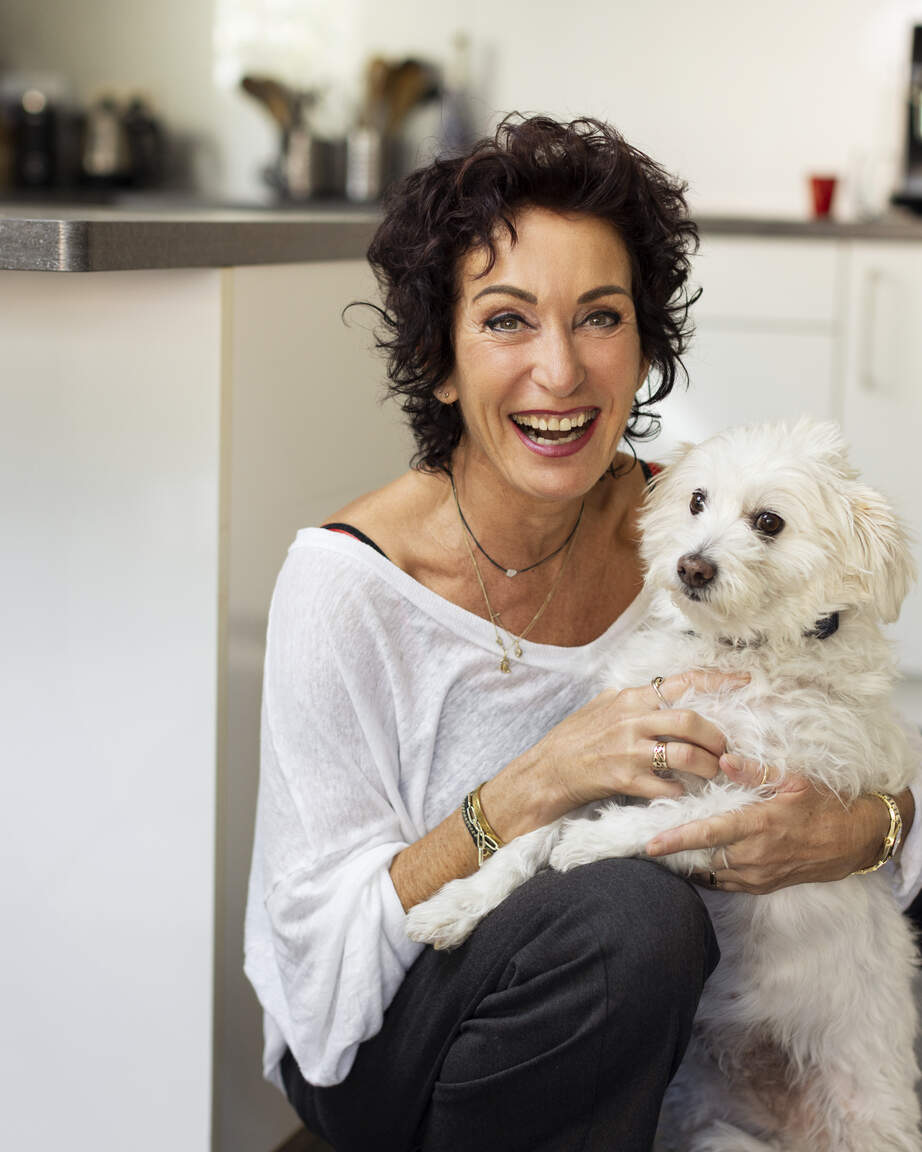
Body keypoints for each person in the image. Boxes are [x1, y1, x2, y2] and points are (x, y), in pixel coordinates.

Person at [244, 116, 922, 1152]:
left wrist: (862, 827)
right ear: (439, 360)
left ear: (645, 348)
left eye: (598, 317)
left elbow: (865, 728)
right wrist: (531, 785)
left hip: (658, 1013)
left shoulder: (691, 523)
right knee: (631, 918)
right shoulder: (348, 588)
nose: (559, 372)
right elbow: (317, 948)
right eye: (507, 320)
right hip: (396, 1030)